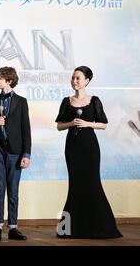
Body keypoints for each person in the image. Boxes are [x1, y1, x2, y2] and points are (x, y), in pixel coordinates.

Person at [55, 66, 122, 239]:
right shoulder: (66, 101)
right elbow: (59, 126)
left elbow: (104, 124)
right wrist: (71, 123)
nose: (74, 81)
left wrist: (87, 123)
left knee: (92, 183)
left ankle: (99, 227)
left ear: (87, 81)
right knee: (75, 186)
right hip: (72, 147)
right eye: (73, 78)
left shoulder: (94, 100)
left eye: (78, 78)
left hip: (90, 147)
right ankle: (70, 229)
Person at [0, 66, 31, 241]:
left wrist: (27, 154)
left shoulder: (21, 101)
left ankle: (13, 227)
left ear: (9, 81)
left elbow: (26, 130)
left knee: (13, 190)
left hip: (15, 152)